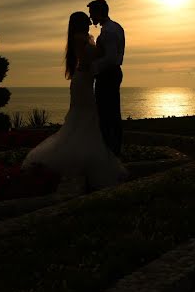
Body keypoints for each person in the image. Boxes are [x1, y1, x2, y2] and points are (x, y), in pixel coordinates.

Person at [21, 11, 126, 190]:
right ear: (79, 23)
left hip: (85, 81)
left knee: (87, 117)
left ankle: (87, 154)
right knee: (84, 115)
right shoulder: (79, 38)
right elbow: (87, 57)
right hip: (82, 83)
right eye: (86, 21)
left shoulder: (84, 37)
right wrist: (102, 49)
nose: (89, 24)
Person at [87, 0, 125, 156]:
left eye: (92, 14)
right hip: (113, 73)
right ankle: (114, 146)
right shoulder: (116, 27)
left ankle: (110, 148)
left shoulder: (108, 32)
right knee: (113, 111)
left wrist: (92, 68)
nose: (91, 18)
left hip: (107, 74)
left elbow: (110, 58)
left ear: (98, 13)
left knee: (106, 112)